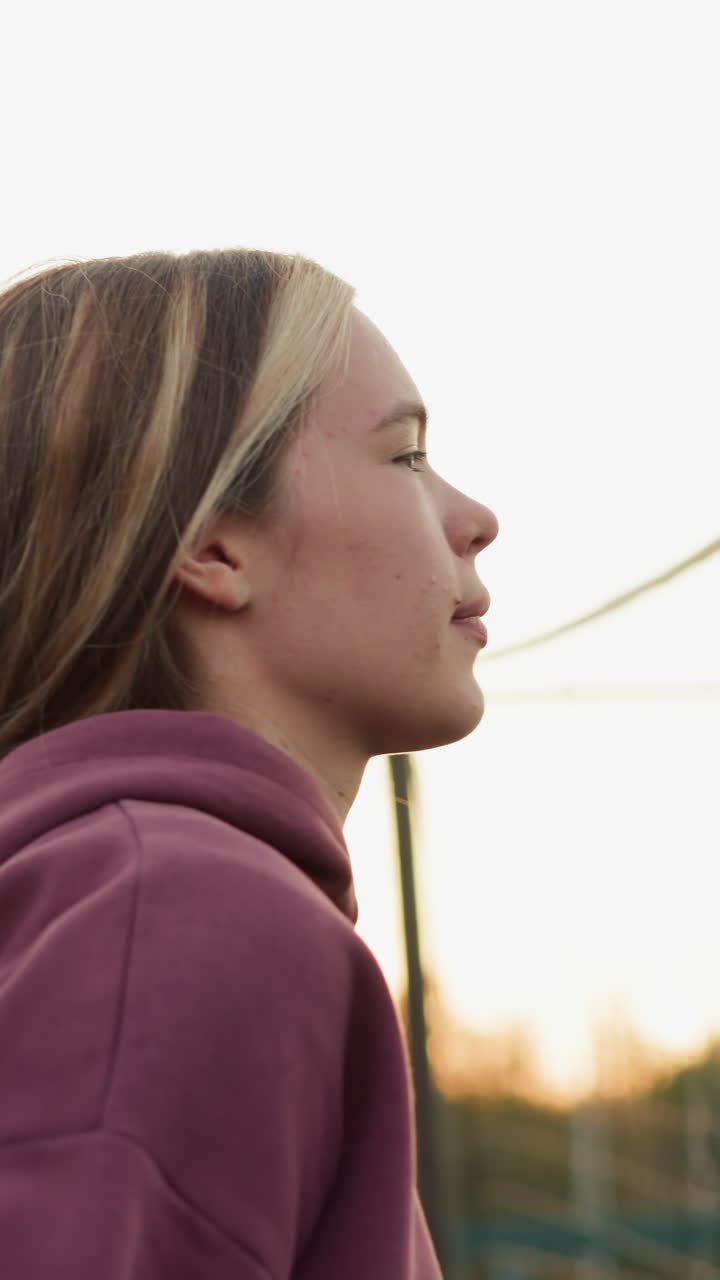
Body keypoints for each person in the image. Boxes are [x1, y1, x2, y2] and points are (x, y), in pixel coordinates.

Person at [0, 249, 498, 1278]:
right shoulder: (173, 909)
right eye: (405, 456)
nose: (474, 518)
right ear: (216, 545)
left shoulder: (123, 898)